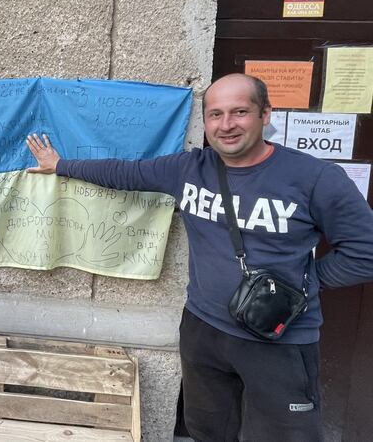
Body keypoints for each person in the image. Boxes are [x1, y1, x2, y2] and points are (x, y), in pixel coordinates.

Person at [26, 73, 373, 442]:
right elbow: (125, 173)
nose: (226, 125)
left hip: (280, 341)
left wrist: (304, 282)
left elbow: (365, 252)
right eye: (215, 115)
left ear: (265, 114)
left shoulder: (315, 178)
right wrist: (60, 166)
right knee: (207, 430)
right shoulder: (190, 169)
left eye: (240, 112)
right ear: (205, 121)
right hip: (203, 332)